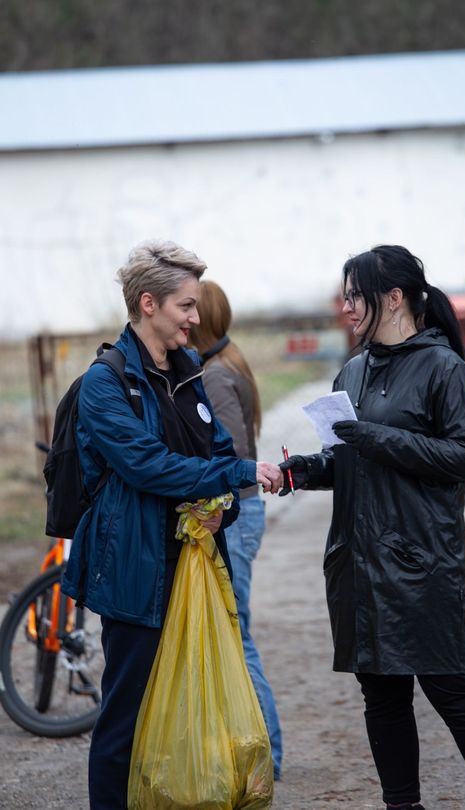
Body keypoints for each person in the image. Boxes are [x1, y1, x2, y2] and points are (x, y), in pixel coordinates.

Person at [279, 245, 465, 810]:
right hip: (358, 562)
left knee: (453, 691)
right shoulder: (352, 369)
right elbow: (347, 458)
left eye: (355, 296)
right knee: (382, 698)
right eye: (344, 296)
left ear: (393, 298)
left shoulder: (445, 369)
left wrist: (374, 437)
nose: (346, 307)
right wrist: (299, 472)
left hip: (422, 564)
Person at [61, 240, 283, 809]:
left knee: (192, 710)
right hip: (137, 570)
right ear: (148, 304)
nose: (195, 318)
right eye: (186, 306)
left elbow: (217, 450)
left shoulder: (188, 372)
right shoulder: (105, 383)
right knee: (126, 717)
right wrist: (236, 474)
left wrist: (224, 503)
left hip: (195, 565)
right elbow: (147, 464)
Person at [189, 280, 283, 780]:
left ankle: (270, 756)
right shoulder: (227, 364)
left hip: (237, 515)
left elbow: (236, 455)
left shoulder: (216, 376)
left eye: (189, 308)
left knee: (236, 635)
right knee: (234, 632)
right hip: (242, 513)